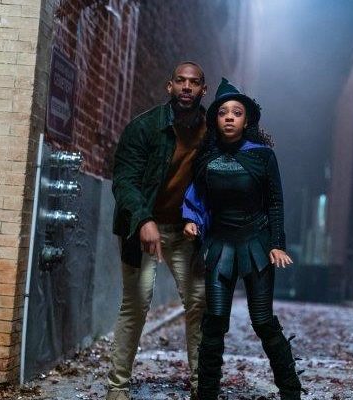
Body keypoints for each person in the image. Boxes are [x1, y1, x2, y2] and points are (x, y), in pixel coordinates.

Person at [182, 78, 303, 400]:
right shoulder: (205, 158)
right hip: (220, 244)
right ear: (215, 120)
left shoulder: (262, 156)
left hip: (256, 244)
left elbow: (275, 202)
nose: (230, 118)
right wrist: (191, 222)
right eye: (223, 112)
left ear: (246, 120)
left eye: (237, 113)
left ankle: (291, 392)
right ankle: (206, 394)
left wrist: (277, 244)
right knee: (214, 321)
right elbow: (196, 198)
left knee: (262, 321)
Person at [109, 62, 208, 400]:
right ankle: (117, 387)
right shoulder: (145, 127)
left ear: (203, 90)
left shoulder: (211, 133)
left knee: (199, 302)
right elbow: (124, 181)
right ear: (170, 86)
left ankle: (202, 386)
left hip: (186, 231)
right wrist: (143, 220)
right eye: (180, 81)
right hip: (143, 229)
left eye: (194, 82)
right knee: (136, 303)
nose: (186, 87)